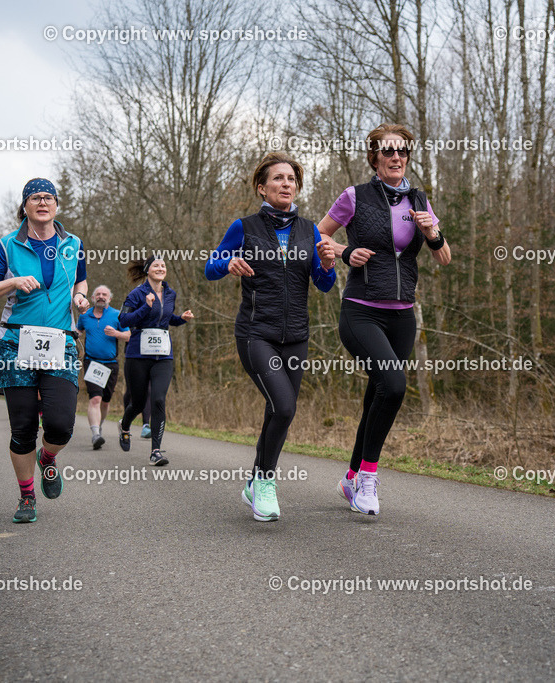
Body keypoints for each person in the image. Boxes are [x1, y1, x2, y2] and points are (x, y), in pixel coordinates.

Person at [317, 124, 452, 516]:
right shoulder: (354, 196)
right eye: (388, 151)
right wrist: (344, 251)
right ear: (374, 157)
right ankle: (369, 480)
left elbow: (445, 258)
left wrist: (432, 233)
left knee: (377, 394)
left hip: (402, 317)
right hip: (360, 309)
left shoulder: (419, 199)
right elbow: (316, 237)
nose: (396, 157)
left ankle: (351, 476)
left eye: (403, 152)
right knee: (393, 385)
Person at [205, 152, 336, 522]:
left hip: (296, 336)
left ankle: (253, 484)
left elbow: (323, 285)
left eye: (292, 179)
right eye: (278, 178)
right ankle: (264, 481)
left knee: (278, 410)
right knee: (285, 406)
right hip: (255, 333)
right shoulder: (243, 227)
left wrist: (327, 265)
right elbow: (209, 268)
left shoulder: (310, 231)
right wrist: (227, 263)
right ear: (262, 187)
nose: (286, 184)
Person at [0, 177, 89, 523]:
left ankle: (48, 459)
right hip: (14, 343)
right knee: (22, 427)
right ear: (24, 206)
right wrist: (11, 282)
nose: (42, 202)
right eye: (35, 197)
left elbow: (80, 279)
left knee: (61, 425)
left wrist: (80, 296)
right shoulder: (7, 245)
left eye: (48, 197)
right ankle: (26, 498)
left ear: (56, 205)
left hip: (61, 342)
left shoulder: (74, 244)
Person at [117, 256, 194, 465]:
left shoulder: (170, 294)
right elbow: (123, 320)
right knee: (139, 402)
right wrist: (145, 307)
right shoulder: (136, 294)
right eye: (156, 265)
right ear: (147, 270)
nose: (161, 268)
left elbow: (166, 319)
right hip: (138, 355)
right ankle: (124, 426)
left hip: (163, 355)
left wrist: (181, 319)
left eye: (163, 265)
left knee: (159, 399)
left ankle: (156, 451)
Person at [77, 285, 130, 449]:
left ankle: (99, 426)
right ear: (92, 298)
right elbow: (77, 333)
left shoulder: (117, 315)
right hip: (92, 362)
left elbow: (128, 336)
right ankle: (95, 435)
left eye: (104, 294)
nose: (101, 296)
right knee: (95, 399)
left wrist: (116, 333)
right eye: (97, 294)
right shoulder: (84, 316)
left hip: (111, 364)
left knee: (105, 402)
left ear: (110, 298)